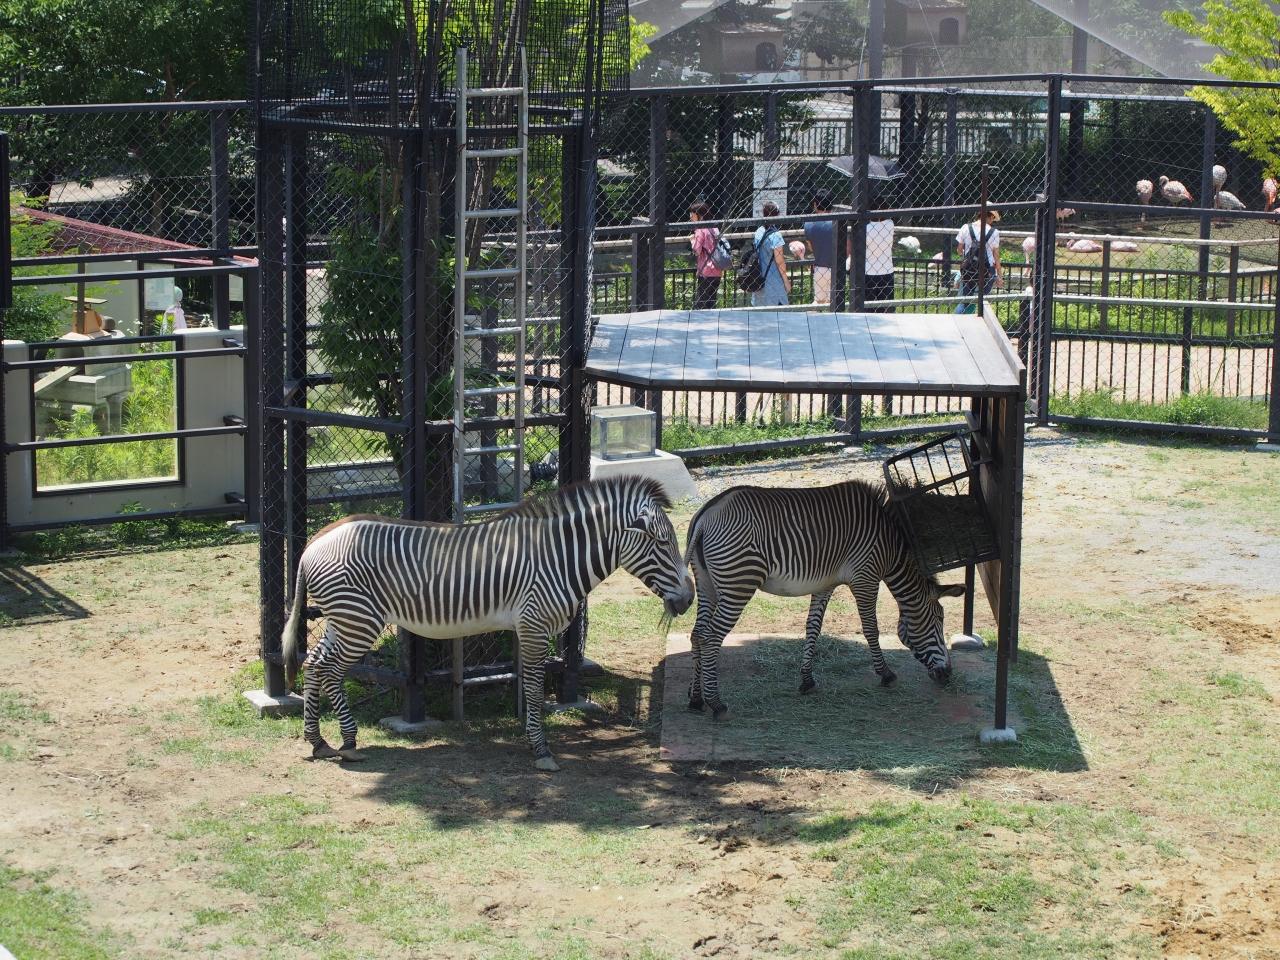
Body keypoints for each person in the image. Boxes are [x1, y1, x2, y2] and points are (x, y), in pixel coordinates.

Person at [846, 198, 896, 312]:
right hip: (887, 270)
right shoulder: (890, 224)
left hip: (868, 272)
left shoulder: (866, 229)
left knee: (868, 309)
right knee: (885, 308)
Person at [954, 209, 1002, 314]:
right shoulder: (994, 232)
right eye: (993, 219)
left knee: (966, 300)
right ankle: (980, 318)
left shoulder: (966, 227)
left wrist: (969, 256)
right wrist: (999, 275)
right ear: (991, 216)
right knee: (983, 301)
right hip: (987, 269)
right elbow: (996, 256)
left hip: (969, 268)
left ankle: (960, 318)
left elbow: (959, 250)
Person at [751, 202, 790, 307]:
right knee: (779, 310)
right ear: (777, 215)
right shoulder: (776, 235)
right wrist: (786, 281)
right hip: (774, 279)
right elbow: (780, 261)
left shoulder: (759, 231)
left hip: (759, 277)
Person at [688, 201, 723, 310]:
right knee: (711, 302)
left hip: (706, 271)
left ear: (698, 214)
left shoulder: (700, 230)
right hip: (717, 268)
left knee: (701, 303)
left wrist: (692, 240)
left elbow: (697, 251)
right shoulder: (715, 228)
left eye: (692, 214)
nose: (690, 217)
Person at [803, 191, 836, 305]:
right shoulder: (838, 222)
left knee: (819, 301)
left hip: (820, 267)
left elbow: (811, 247)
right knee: (835, 303)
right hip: (837, 268)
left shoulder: (809, 224)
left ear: (815, 204)